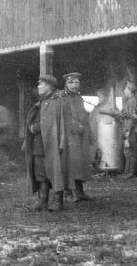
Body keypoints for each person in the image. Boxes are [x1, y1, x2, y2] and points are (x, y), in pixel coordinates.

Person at [24, 75, 66, 212]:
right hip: (38, 144)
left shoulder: (57, 101)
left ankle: (57, 202)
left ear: (49, 86)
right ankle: (42, 201)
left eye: (41, 84)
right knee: (41, 174)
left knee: (55, 172)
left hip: (51, 143)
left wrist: (34, 128)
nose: (38, 86)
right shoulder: (41, 102)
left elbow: (53, 123)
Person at [60, 72, 94, 202]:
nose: (75, 85)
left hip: (81, 136)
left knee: (80, 164)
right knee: (69, 164)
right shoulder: (62, 98)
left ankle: (79, 191)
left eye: (77, 82)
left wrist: (89, 132)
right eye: (71, 82)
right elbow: (63, 117)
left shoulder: (79, 98)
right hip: (69, 136)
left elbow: (84, 116)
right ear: (66, 84)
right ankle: (67, 192)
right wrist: (76, 127)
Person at [121, 82, 137, 179]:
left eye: (126, 89)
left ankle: (130, 173)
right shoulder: (129, 101)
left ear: (130, 91)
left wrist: (128, 132)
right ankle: (126, 172)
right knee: (127, 152)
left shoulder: (132, 101)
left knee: (131, 152)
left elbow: (132, 118)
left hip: (131, 131)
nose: (124, 91)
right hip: (128, 130)